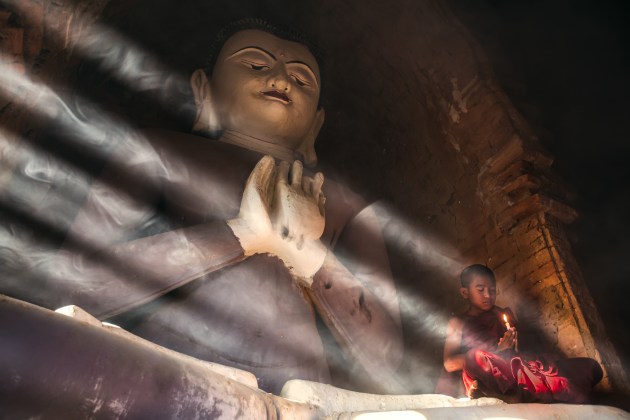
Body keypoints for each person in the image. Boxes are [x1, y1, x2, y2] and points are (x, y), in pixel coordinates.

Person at [20, 19, 403, 394]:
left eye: (302, 80)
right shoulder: (158, 151)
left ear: (316, 125)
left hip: (299, 395)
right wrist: (242, 233)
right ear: (204, 90)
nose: (282, 80)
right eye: (256, 64)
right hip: (167, 377)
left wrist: (308, 257)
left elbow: (387, 360)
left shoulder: (346, 202)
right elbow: (69, 288)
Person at [437, 264, 602, 403]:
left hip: (515, 368)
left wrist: (513, 345)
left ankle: (514, 394)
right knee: (475, 356)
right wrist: (494, 352)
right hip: (487, 371)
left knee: (590, 367)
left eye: (492, 290)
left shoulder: (503, 314)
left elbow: (518, 356)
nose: (488, 295)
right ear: (465, 293)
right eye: (481, 290)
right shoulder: (458, 322)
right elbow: (449, 363)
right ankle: (510, 394)